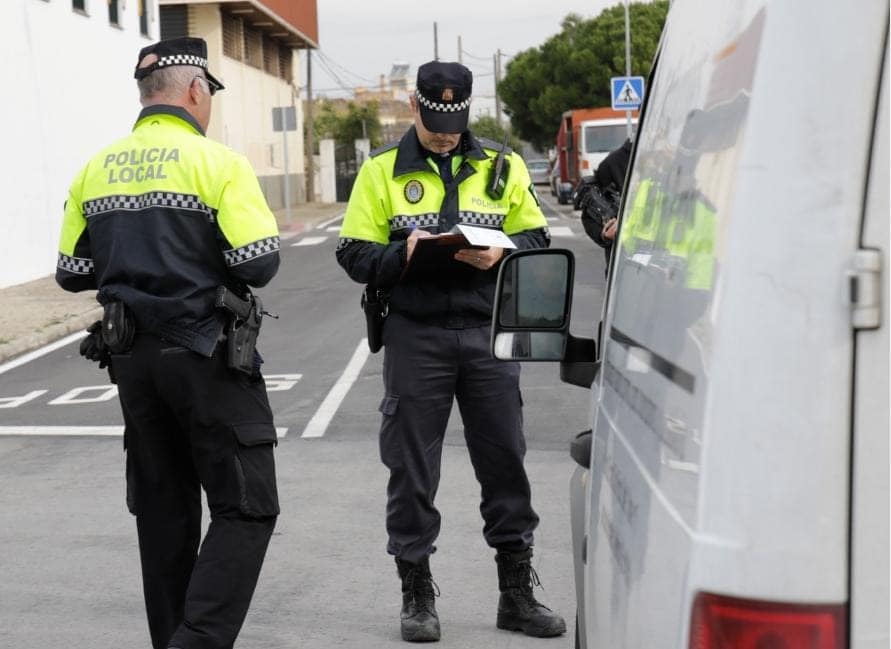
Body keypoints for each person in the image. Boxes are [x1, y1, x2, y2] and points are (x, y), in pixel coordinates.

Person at [55, 37, 281, 649]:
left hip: (132, 363)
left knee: (164, 515)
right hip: (207, 355)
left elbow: (71, 271)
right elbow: (258, 263)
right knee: (247, 506)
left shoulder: (95, 168)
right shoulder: (219, 164)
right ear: (195, 91)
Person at [336, 60, 566, 643]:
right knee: (411, 468)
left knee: (506, 461)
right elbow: (354, 255)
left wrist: (503, 252)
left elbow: (537, 235)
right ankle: (417, 595)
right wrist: (404, 255)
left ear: (468, 109)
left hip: (489, 334)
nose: (445, 130)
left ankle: (515, 594)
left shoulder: (503, 164)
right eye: (436, 118)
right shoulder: (382, 171)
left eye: (456, 118)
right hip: (417, 336)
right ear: (415, 106)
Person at [579, 138, 632, 268]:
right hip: (623, 267)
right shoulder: (612, 164)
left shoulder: (678, 161)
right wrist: (603, 234)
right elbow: (590, 212)